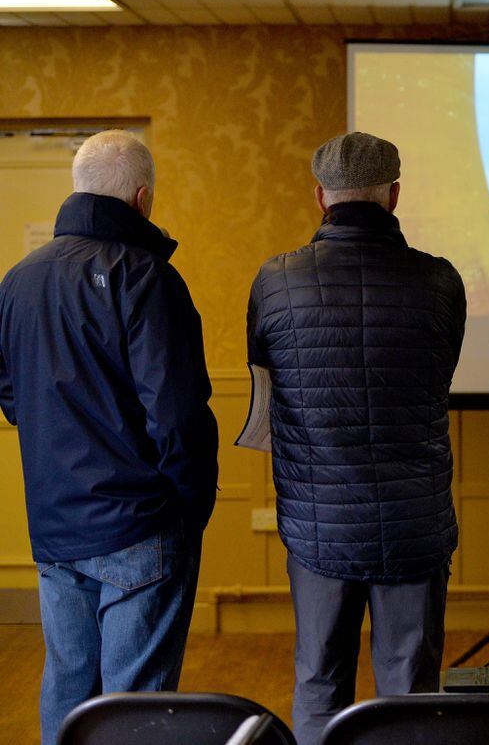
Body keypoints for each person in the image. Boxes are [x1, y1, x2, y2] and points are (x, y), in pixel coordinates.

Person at [246, 132, 465, 745]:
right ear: (394, 195)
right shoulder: (440, 281)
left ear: (321, 197)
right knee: (412, 692)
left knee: (319, 682)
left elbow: (267, 382)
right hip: (414, 521)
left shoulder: (275, 281)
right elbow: (440, 373)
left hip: (318, 525)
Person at [0, 130, 217, 745]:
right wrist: (189, 503)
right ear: (142, 198)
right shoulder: (147, 276)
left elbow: (10, 391)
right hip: (140, 524)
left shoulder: (19, 279)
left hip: (55, 523)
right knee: (136, 708)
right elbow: (176, 413)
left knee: (68, 691)